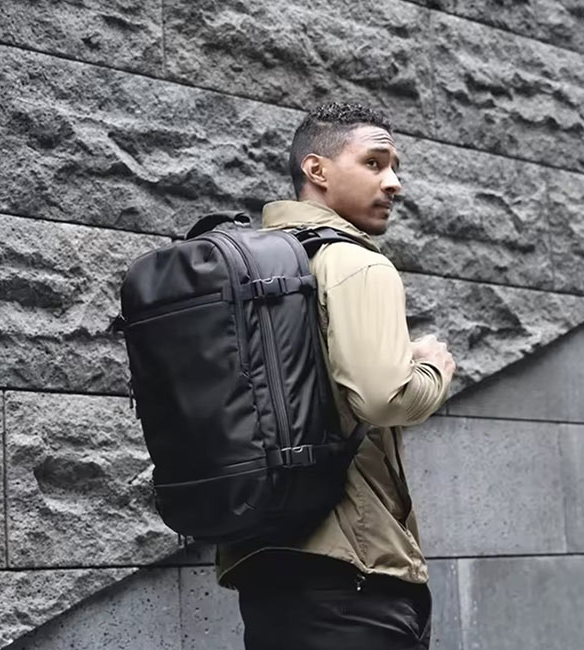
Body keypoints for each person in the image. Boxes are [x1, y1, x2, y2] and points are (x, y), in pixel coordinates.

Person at [217, 102, 456, 650]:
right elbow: (384, 398)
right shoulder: (355, 263)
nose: (393, 182)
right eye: (374, 162)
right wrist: (432, 369)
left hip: (263, 566)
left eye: (394, 167)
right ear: (316, 170)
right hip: (354, 575)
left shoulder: (256, 273)